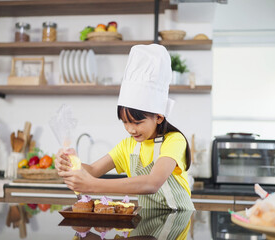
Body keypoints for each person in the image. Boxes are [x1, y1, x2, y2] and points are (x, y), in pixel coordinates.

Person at [55, 44, 195, 210]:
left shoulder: (174, 141)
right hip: (145, 223)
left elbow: (152, 183)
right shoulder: (128, 146)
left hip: (177, 223)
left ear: (158, 117)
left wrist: (93, 185)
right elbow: (92, 170)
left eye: (137, 122)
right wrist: (71, 163)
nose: (131, 129)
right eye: (125, 122)